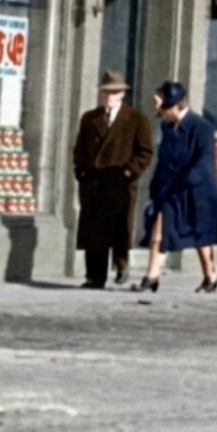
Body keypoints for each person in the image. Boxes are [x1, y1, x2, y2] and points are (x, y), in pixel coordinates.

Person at [134, 81, 217, 294]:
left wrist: (187, 180)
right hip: (171, 191)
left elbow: (204, 161)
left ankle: (210, 275)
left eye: (162, 107)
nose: (160, 113)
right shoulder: (168, 128)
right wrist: (156, 185)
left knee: (201, 236)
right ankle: (151, 276)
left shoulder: (202, 127)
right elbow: (164, 161)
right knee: (159, 233)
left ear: (174, 105)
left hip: (198, 192)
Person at [72, 69, 154, 289]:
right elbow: (79, 148)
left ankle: (121, 265)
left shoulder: (137, 120)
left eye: (114, 92)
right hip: (94, 182)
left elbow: (145, 152)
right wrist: (81, 170)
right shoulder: (90, 118)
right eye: (106, 92)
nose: (109, 97)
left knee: (119, 227)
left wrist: (128, 172)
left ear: (122, 94)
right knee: (94, 231)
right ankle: (95, 276)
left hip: (120, 182)